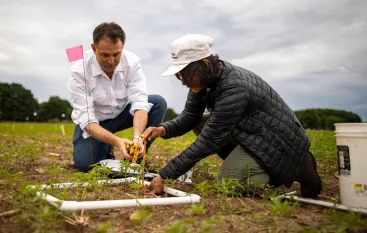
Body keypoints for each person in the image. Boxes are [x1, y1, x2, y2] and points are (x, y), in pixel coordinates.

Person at [144, 34, 322, 198]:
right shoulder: (203, 80)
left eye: (185, 73)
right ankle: (246, 165)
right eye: (179, 75)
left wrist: (165, 175)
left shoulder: (234, 88)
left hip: (273, 140)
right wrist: (162, 129)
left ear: (204, 65)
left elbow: (208, 141)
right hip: (250, 132)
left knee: (227, 184)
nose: (183, 81)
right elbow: (190, 116)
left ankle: (294, 169)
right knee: (200, 123)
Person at [68, 22, 167, 172]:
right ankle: (105, 147)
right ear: (94, 48)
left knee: (157, 103)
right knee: (85, 165)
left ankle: (135, 158)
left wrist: (137, 138)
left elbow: (139, 104)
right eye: (105, 55)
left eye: (116, 54)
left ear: (122, 49)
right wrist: (117, 141)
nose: (111, 61)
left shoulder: (132, 62)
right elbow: (87, 121)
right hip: (95, 122)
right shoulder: (79, 71)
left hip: (121, 114)